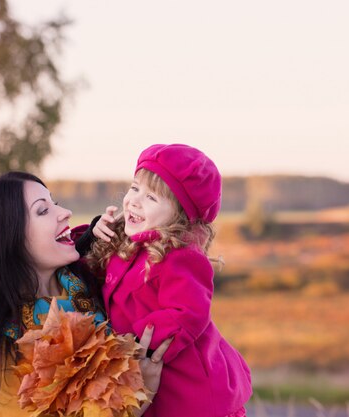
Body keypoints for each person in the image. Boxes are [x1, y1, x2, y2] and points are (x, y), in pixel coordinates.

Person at [0, 171, 171, 417]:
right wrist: (140, 393)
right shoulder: (6, 351)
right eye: (42, 210)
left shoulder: (85, 286)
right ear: (8, 239)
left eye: (54, 203)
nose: (65, 213)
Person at [85, 144, 252, 417]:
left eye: (152, 198)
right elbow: (89, 266)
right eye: (135, 187)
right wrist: (94, 233)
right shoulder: (125, 244)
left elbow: (187, 313)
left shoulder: (180, 257)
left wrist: (132, 341)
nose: (135, 201)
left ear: (179, 215)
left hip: (189, 389)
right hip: (145, 379)